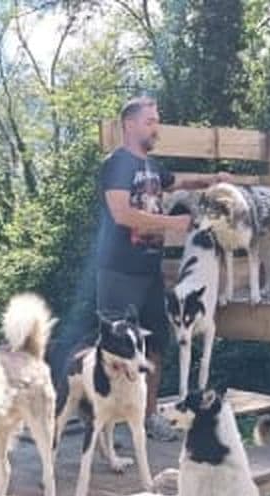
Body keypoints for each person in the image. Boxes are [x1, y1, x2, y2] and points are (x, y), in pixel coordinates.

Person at [96, 96, 230, 441]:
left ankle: (149, 416)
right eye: (150, 121)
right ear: (129, 125)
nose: (156, 127)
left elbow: (177, 181)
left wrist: (210, 179)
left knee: (156, 345)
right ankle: (107, 428)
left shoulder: (152, 167)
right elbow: (122, 214)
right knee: (113, 351)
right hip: (118, 271)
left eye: (157, 121)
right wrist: (173, 223)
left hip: (150, 273)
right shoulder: (117, 164)